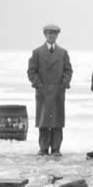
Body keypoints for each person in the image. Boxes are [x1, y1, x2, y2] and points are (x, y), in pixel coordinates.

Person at [27, 23, 73, 156]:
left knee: (57, 122)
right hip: (43, 92)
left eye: (54, 34)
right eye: (49, 33)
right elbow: (31, 71)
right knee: (44, 122)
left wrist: (64, 84)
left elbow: (68, 70)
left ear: (57, 35)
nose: (52, 36)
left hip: (58, 91)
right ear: (45, 35)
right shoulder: (37, 52)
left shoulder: (63, 53)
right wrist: (39, 85)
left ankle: (56, 148)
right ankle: (43, 148)